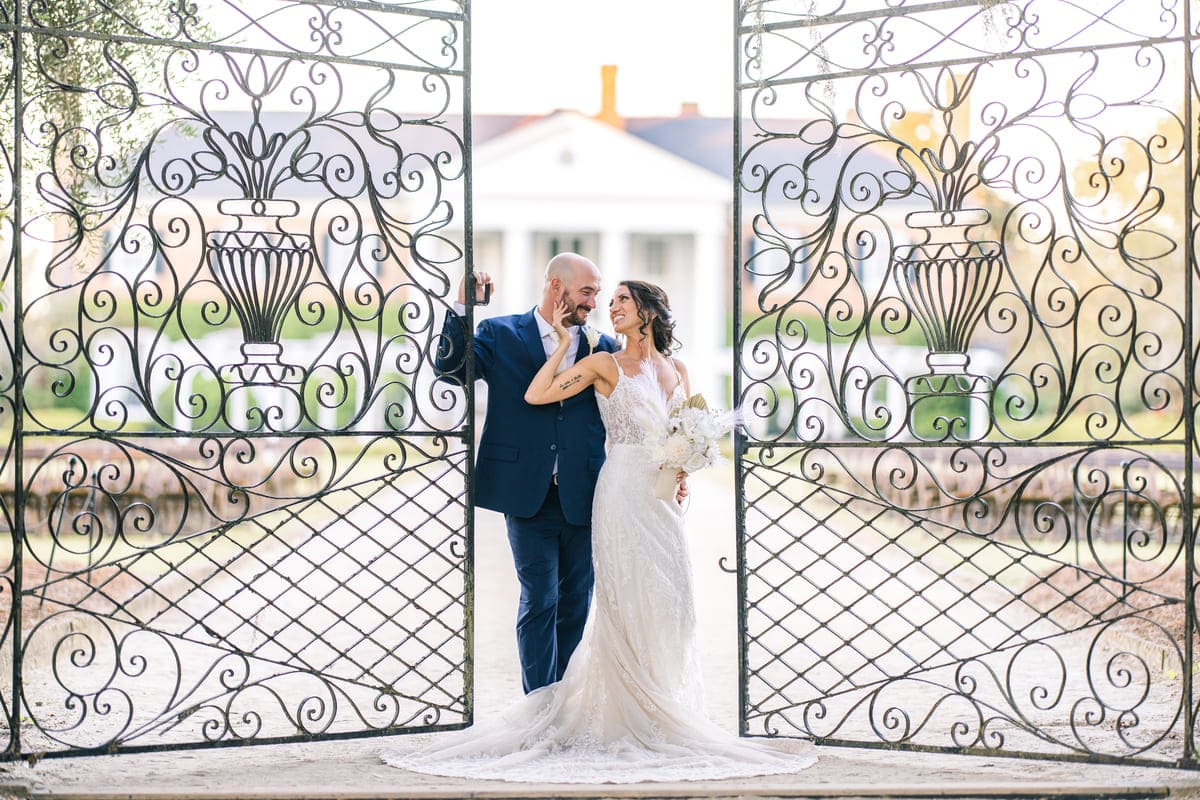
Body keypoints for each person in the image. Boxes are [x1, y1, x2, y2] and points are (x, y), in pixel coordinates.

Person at [384, 280, 816, 783]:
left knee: (668, 601)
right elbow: (534, 393)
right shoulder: (599, 361)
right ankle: (554, 705)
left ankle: (661, 701)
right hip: (613, 494)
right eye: (602, 299)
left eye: (619, 301)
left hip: (657, 499)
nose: (608, 308)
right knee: (591, 599)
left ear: (649, 313)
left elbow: (682, 430)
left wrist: (682, 469)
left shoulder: (675, 369)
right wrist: (565, 347)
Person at [432, 253, 619, 694]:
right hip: (525, 491)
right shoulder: (499, 333)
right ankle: (539, 706)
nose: (594, 302)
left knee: (575, 602)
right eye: (587, 291)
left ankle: (565, 700)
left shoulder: (602, 346)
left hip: (586, 489)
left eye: (596, 292)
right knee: (541, 597)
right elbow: (450, 369)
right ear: (557, 287)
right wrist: (462, 307)